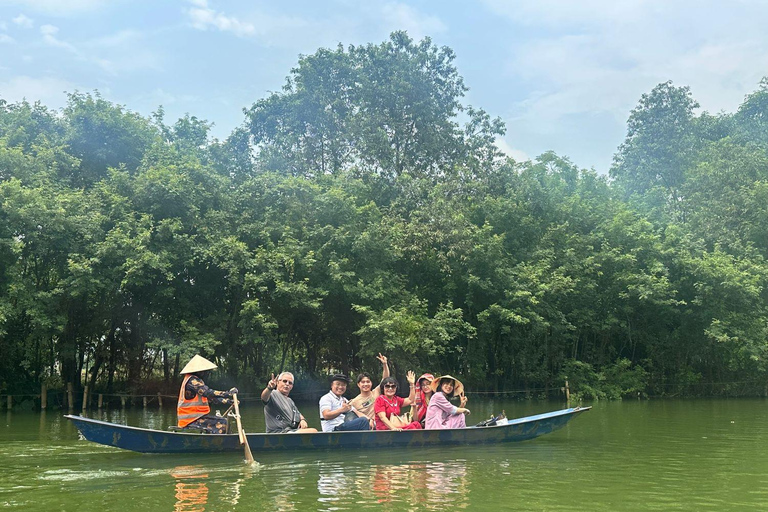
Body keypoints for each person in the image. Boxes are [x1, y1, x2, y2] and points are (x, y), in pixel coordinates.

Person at [177, 354, 238, 434]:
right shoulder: (192, 381)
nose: (205, 373)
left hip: (197, 418)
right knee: (223, 423)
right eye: (203, 371)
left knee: (221, 421)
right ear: (197, 371)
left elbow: (211, 398)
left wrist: (228, 401)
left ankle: (214, 443)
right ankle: (219, 444)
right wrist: (228, 393)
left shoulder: (197, 381)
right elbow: (207, 392)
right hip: (190, 421)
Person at [349, 353, 390, 427]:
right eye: (363, 382)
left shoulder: (376, 392)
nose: (365, 384)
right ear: (358, 384)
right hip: (367, 428)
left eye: (368, 382)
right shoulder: (354, 402)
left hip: (381, 424)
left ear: (371, 383)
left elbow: (385, 379)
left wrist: (385, 364)